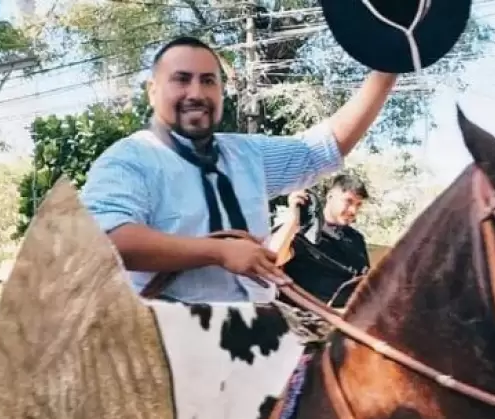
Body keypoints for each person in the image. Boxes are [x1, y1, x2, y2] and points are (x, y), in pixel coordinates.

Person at [80, 36, 398, 303]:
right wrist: (218, 252)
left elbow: (322, 149)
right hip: (165, 341)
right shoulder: (130, 158)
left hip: (257, 335)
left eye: (208, 81)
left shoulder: (248, 154)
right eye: (181, 79)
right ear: (152, 91)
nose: (196, 93)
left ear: (221, 92)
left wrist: (390, 65)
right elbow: (105, 241)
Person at [270, 174, 372, 306]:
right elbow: (273, 258)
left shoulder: (356, 239)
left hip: (343, 313)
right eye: (349, 201)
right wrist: (293, 219)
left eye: (358, 205)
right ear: (330, 197)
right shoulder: (303, 230)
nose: (353, 210)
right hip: (300, 312)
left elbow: (364, 282)